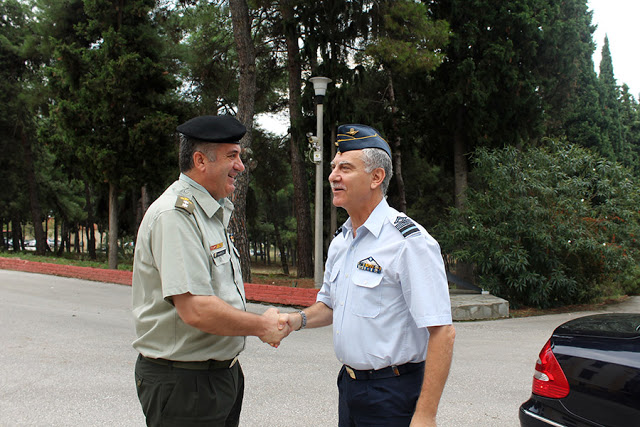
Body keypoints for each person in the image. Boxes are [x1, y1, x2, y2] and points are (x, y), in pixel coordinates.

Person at [285, 124, 455, 426]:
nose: (333, 175)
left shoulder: (408, 242)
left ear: (376, 177)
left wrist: (426, 414)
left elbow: (442, 332)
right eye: (334, 166)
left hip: (394, 394)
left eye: (345, 168)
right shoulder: (341, 241)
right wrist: (296, 321)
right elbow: (329, 305)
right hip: (349, 387)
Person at [132, 115, 290, 427]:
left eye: (239, 156)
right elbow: (197, 309)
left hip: (217, 375)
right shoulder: (176, 215)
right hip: (185, 384)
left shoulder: (209, 213)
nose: (240, 166)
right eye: (233, 156)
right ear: (200, 160)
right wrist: (261, 326)